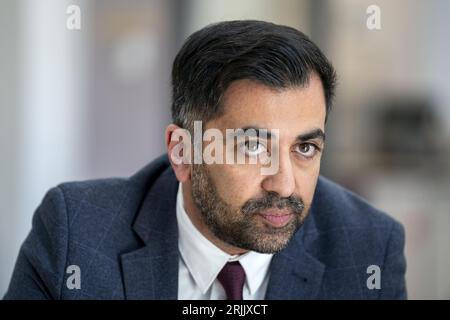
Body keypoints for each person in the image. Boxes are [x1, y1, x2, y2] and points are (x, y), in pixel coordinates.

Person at [4, 20, 406, 300]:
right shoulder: (77, 234)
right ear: (182, 152)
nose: (284, 185)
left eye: (304, 148)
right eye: (252, 146)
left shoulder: (368, 247)